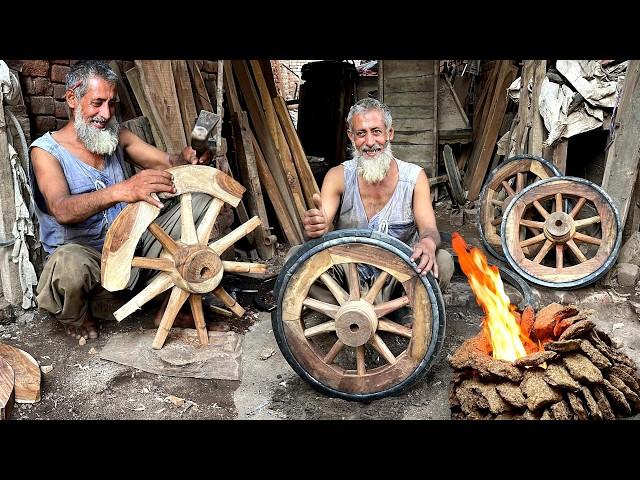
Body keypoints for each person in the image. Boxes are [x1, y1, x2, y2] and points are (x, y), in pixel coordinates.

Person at [29, 60, 213, 341]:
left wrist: (186, 158)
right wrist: (121, 191)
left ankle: (168, 307)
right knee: (66, 265)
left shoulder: (117, 135)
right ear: (72, 99)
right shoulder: (46, 151)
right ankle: (77, 313)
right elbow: (62, 209)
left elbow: (168, 162)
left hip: (131, 248)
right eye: (97, 103)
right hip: (88, 261)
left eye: (111, 104)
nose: (106, 113)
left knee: (200, 200)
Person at [301, 98, 454, 308]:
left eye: (376, 131)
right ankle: (348, 310)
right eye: (361, 133)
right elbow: (323, 223)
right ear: (351, 137)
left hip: (398, 279)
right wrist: (317, 225)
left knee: (443, 261)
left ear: (389, 134)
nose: (370, 142)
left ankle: (403, 307)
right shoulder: (338, 176)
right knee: (297, 258)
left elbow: (429, 229)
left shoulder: (414, 177)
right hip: (348, 278)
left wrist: (427, 242)